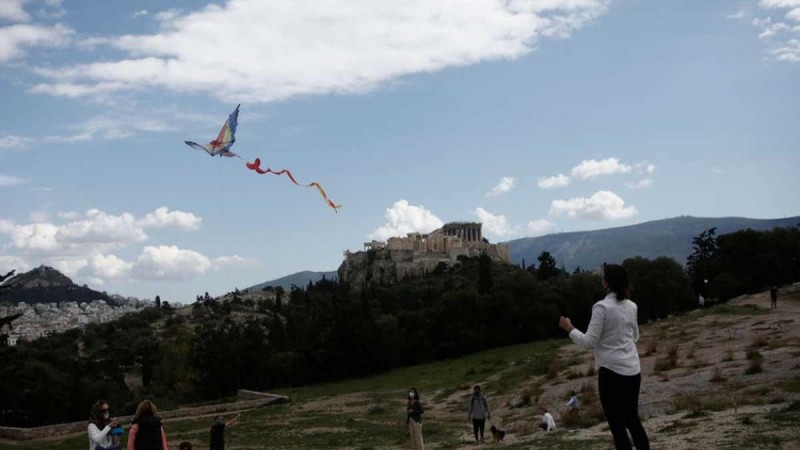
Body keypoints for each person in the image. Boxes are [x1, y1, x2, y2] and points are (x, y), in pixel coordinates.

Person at [559, 264, 650, 450]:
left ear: (606, 284)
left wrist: (569, 328)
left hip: (611, 373)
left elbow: (588, 341)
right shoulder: (632, 306)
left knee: (617, 425)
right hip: (633, 370)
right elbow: (635, 336)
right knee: (633, 420)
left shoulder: (601, 307)